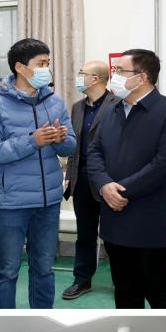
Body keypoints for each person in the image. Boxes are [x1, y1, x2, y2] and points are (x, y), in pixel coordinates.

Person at [0, 38, 76, 310]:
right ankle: (5, 323)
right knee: (7, 270)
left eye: (48, 63)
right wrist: (33, 140)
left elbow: (71, 145)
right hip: (11, 202)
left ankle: (42, 319)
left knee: (44, 268)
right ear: (20, 67)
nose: (46, 69)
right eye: (41, 64)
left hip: (48, 201)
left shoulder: (53, 101)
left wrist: (60, 139)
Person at [86, 49, 166, 309]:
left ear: (142, 77)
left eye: (120, 71)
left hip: (150, 221)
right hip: (114, 219)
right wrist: (104, 185)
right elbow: (94, 152)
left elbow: (165, 164)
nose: (114, 76)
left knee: (159, 289)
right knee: (124, 290)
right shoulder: (111, 110)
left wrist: (120, 191)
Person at [61, 60, 117, 300]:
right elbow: (74, 147)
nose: (78, 76)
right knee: (84, 234)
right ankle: (82, 280)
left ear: (95, 78)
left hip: (108, 180)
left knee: (114, 235)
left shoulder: (118, 105)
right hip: (81, 179)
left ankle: (122, 281)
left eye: (81, 73)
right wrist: (69, 177)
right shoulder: (77, 107)